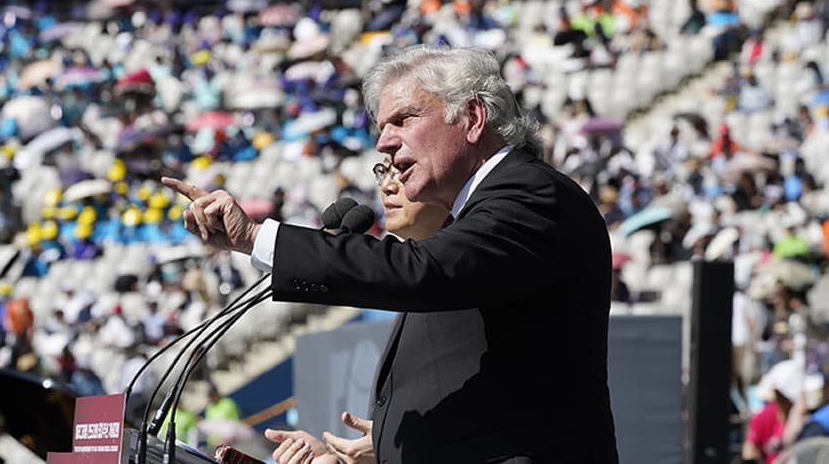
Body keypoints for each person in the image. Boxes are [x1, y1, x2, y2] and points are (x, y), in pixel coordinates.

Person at [163, 44, 618, 463]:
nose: (384, 142)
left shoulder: (530, 193)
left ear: (473, 118)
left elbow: (422, 274)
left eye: (404, 119)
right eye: (382, 128)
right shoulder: (469, 225)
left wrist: (257, 238)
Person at [265, 155, 448, 463]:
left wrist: (389, 445)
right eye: (382, 172)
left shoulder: (477, 277)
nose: (388, 186)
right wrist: (339, 457)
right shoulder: (415, 291)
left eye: (401, 170)